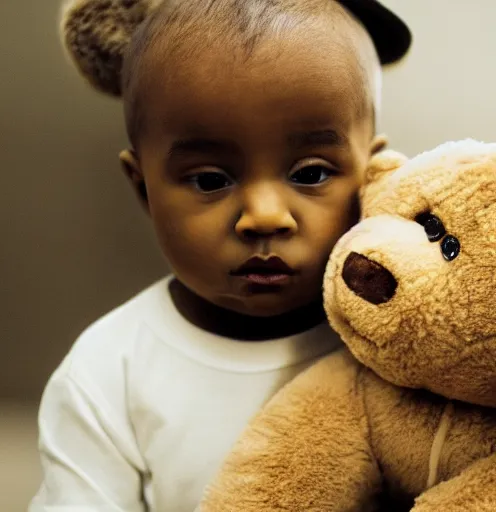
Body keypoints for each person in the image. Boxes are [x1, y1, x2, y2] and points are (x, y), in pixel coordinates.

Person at [30, 0, 411, 510]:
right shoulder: (109, 374)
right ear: (144, 189)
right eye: (211, 180)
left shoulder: (395, 343)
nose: (265, 216)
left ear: (372, 176)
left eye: (311, 173)